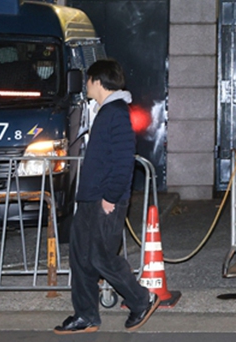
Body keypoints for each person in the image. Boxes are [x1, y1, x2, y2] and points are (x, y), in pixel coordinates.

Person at [54, 58, 160, 334]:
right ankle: (85, 315)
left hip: (105, 199)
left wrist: (111, 197)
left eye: (88, 80)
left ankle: (141, 299)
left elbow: (123, 160)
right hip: (90, 197)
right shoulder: (103, 110)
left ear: (97, 81)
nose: (86, 85)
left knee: (101, 257)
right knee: (80, 257)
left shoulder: (116, 112)